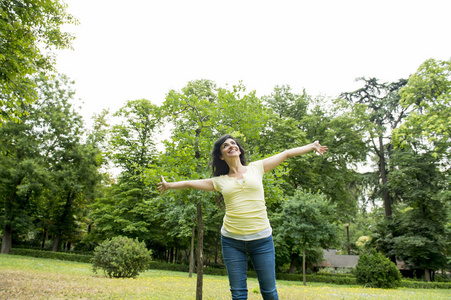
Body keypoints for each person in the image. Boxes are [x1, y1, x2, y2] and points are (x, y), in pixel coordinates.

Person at [158, 134, 327, 300]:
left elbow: (286, 153)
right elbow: (190, 183)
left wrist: (311, 147)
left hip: (262, 239)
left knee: (269, 292)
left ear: (239, 150)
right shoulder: (220, 181)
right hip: (232, 241)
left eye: (233, 143)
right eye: (226, 145)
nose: (231, 145)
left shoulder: (257, 168)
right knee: (238, 294)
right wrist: (168, 185)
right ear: (221, 156)